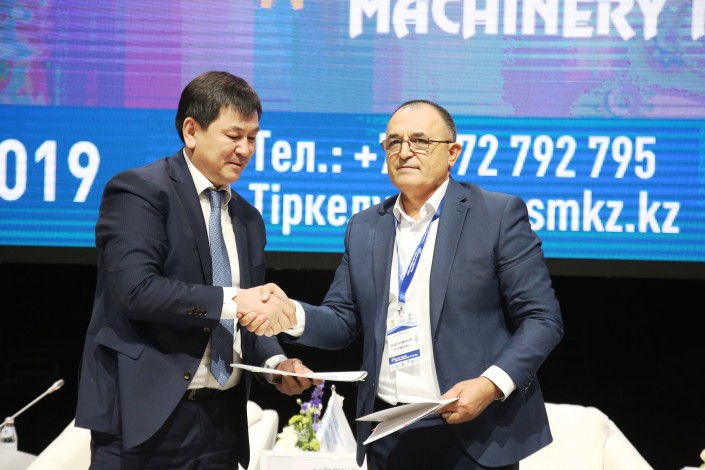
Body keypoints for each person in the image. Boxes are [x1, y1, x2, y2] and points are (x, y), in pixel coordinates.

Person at [242, 99, 564, 469]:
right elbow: (342, 321)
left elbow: (542, 319)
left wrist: (490, 385)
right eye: (393, 142)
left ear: (452, 153)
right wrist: (292, 315)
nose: (404, 151)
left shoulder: (496, 215)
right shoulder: (365, 227)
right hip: (389, 433)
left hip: (473, 429)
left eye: (420, 141)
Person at [75, 71, 317, 470]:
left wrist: (276, 365)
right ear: (191, 131)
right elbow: (137, 291)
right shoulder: (140, 191)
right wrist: (236, 300)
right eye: (233, 135)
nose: (245, 149)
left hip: (222, 422)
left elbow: (245, 319)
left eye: (252, 137)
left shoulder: (248, 219)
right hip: (144, 420)